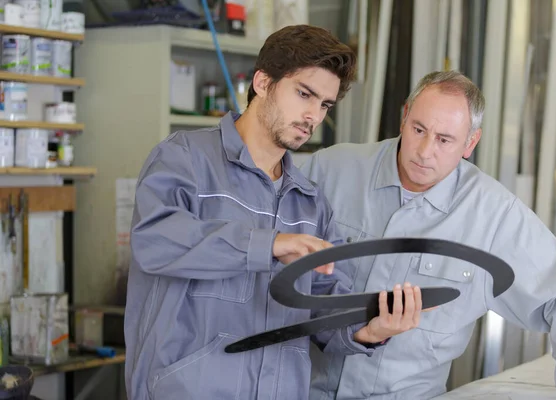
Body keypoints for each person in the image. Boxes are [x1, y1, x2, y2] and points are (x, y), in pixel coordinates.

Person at [124, 24, 425, 400]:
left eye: (325, 104)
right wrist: (268, 245)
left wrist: (369, 330)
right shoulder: (185, 158)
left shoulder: (311, 203)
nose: (313, 115)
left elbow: (324, 310)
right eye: (304, 94)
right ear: (263, 82)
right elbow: (155, 242)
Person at [299, 70, 556, 399]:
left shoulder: (494, 218)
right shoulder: (330, 171)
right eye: (419, 130)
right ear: (404, 117)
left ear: (470, 143)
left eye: (444, 140)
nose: (425, 151)